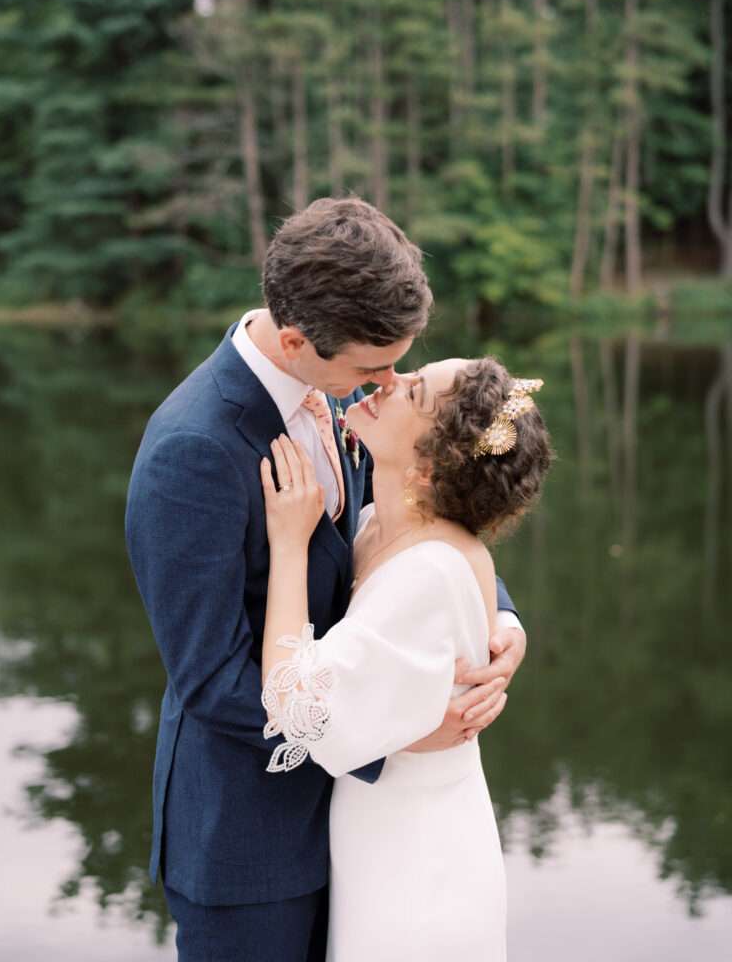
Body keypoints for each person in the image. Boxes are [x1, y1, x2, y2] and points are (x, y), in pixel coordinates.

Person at [125, 197, 527, 962]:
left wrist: (499, 624)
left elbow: (420, 518)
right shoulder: (193, 451)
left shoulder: (340, 394)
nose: (390, 383)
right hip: (253, 845)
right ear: (297, 339)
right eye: (373, 367)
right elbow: (210, 681)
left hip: (366, 841)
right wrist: (391, 735)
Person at [260, 358, 552, 960]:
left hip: (416, 865)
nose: (390, 377)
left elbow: (295, 707)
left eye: (413, 389)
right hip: (382, 835)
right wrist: (504, 618)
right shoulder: (377, 521)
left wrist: (289, 546)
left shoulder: (425, 572)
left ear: (425, 468)